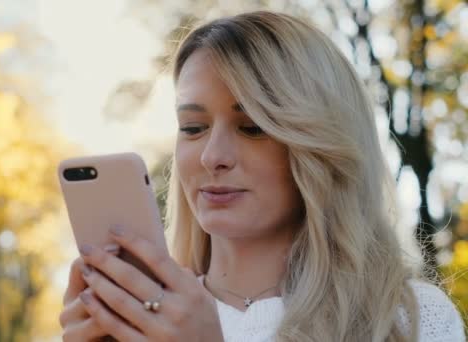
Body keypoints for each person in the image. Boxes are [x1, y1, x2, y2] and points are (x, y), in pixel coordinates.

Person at [58, 10, 466, 342]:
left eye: (252, 127)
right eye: (193, 128)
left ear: (317, 147)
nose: (212, 156)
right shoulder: (138, 323)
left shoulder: (409, 320)